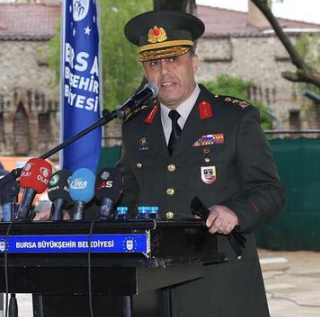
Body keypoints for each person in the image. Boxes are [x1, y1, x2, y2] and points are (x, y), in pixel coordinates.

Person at [117, 10, 287, 317]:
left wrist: (235, 210)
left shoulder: (234, 118)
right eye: (154, 63)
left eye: (174, 60)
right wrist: (68, 208)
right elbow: (124, 192)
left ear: (194, 63)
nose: (164, 71)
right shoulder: (135, 126)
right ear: (145, 70)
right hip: (155, 286)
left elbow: (271, 191)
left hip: (221, 285)